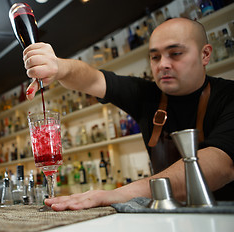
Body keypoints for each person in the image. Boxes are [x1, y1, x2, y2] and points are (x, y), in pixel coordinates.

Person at [23, 18, 234, 211]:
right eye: (154, 56)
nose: (162, 64)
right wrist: (60, 67)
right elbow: (92, 79)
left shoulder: (229, 96)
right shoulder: (147, 95)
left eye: (175, 53)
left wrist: (118, 194)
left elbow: (219, 165)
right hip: (165, 216)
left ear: (205, 54)